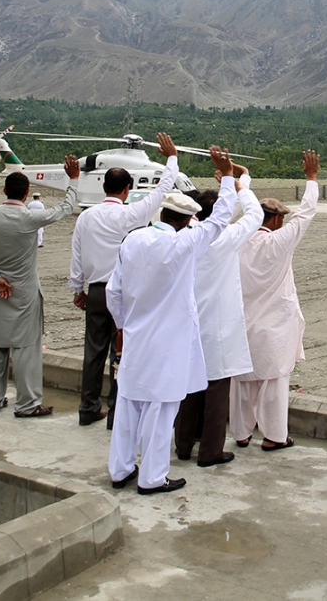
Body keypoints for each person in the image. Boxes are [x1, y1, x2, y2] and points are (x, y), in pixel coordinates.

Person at [106, 147, 237, 494]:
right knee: (161, 412)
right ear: (185, 220)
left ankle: (120, 470)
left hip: (136, 338)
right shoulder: (184, 244)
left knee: (129, 407)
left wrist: (125, 325)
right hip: (168, 344)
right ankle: (151, 477)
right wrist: (229, 179)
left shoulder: (133, 240)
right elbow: (221, 218)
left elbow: (113, 291)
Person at [69, 134, 178, 427]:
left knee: (93, 352)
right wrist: (171, 158)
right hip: (124, 293)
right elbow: (163, 189)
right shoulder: (133, 214)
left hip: (94, 291)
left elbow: (77, 255)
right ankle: (117, 412)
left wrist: (77, 288)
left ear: (104, 187)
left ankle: (87, 407)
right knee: (122, 354)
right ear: (127, 189)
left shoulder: (86, 217)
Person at [0, 155, 80, 417]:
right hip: (25, 291)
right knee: (25, 349)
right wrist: (73, 179)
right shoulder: (30, 218)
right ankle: (27, 403)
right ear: (27, 193)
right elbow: (66, 208)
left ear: (5, 190)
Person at [231, 150, 319, 452]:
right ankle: (274, 436)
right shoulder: (280, 242)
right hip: (275, 326)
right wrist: (311, 179)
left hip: (244, 323)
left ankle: (241, 434)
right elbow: (306, 214)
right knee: (274, 384)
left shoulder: (238, 241)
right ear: (278, 219)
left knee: (243, 382)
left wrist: (241, 181)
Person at [176, 163, 262, 467]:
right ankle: (210, 450)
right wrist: (242, 184)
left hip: (189, 322)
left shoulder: (188, 235)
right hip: (218, 325)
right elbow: (255, 215)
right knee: (216, 391)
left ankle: (184, 444)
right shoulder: (225, 238)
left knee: (189, 389)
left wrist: (236, 184)